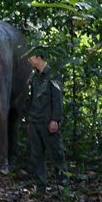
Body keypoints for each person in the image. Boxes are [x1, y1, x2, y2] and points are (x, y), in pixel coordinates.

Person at [26, 49, 65, 193]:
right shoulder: (35, 77)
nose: (28, 59)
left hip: (48, 122)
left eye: (30, 56)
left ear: (38, 57)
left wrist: (55, 119)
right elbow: (31, 100)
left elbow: (58, 99)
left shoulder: (53, 75)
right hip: (35, 120)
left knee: (56, 154)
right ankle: (41, 187)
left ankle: (63, 185)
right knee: (37, 155)